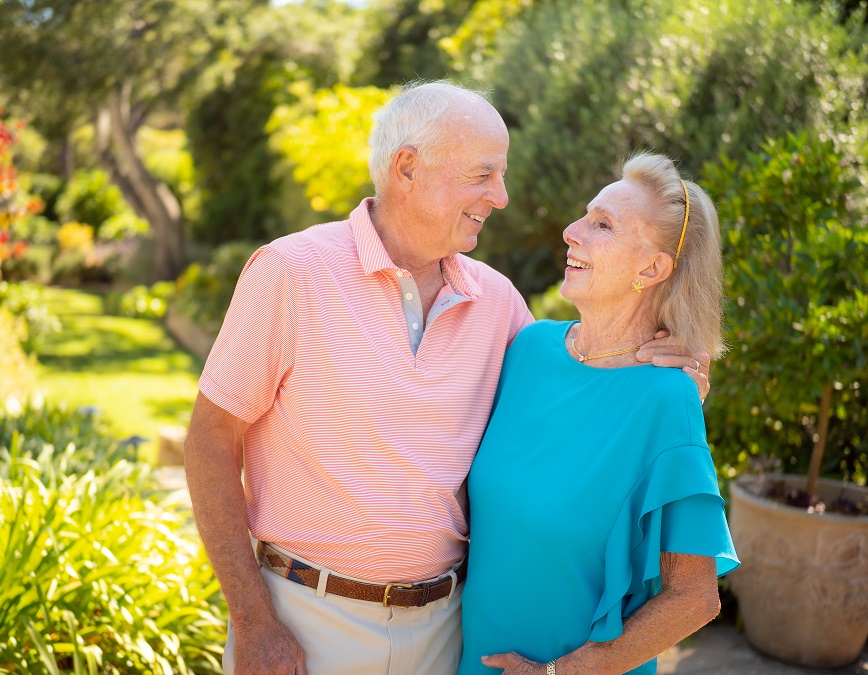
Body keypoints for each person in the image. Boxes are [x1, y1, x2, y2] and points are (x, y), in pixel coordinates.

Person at [184, 82, 712, 675]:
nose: (502, 197)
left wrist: (675, 371)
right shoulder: (291, 271)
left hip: (447, 635)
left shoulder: (500, 305)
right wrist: (254, 620)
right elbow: (209, 442)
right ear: (407, 167)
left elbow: (579, 389)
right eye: (483, 175)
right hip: (306, 621)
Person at [458, 153, 740, 675]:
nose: (570, 232)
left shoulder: (668, 398)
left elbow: (695, 598)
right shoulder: (529, 349)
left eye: (602, 225)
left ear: (651, 269)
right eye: (585, 215)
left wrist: (560, 673)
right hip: (469, 657)